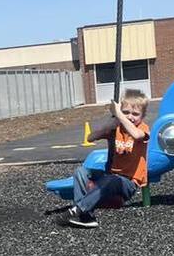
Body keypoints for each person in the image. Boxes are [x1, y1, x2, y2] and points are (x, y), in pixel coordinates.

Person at [56, 89, 151, 229]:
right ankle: (86, 216)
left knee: (112, 179)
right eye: (125, 112)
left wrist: (119, 114)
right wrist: (108, 126)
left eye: (135, 114)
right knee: (80, 171)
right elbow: (90, 138)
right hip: (110, 177)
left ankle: (77, 209)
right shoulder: (116, 129)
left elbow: (136, 135)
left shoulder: (143, 129)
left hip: (128, 183)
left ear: (143, 116)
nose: (130, 117)